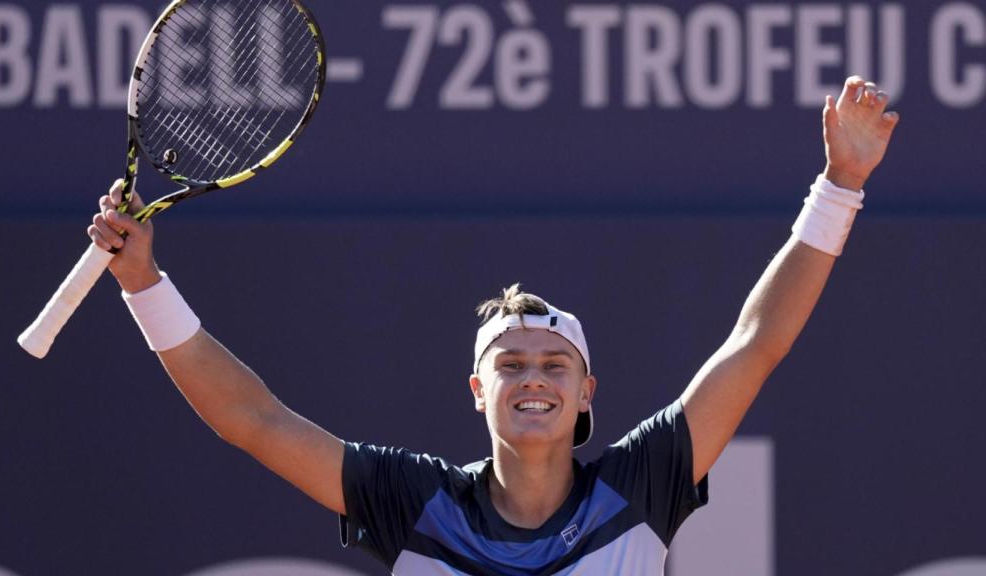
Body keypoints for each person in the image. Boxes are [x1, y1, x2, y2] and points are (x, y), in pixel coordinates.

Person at [88, 76, 899, 575]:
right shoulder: (415, 501)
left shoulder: (641, 483)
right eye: (512, 365)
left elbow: (756, 345)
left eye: (554, 365)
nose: (535, 379)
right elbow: (250, 419)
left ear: (587, 395)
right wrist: (142, 281)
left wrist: (841, 183)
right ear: (478, 392)